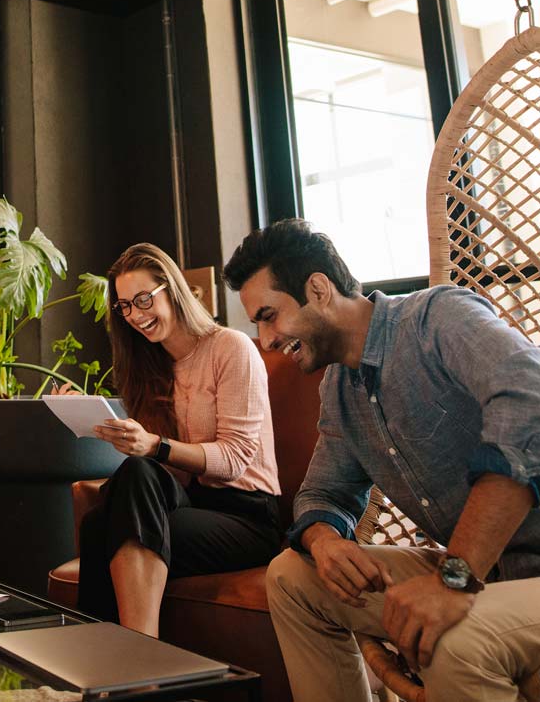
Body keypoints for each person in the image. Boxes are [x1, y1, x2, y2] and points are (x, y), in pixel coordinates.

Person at [222, 218, 540, 702]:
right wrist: (324, 540)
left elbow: (529, 400)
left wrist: (453, 580)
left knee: (452, 642)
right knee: (291, 576)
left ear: (318, 288)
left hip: (492, 572)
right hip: (482, 572)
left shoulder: (437, 318)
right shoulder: (339, 388)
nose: (265, 339)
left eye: (269, 315)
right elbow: (322, 493)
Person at [74, 243, 283, 637]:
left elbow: (235, 459)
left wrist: (154, 445)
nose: (136, 316)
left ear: (171, 289)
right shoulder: (149, 366)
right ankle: (105, 668)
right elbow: (166, 473)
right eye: (124, 307)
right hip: (193, 504)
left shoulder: (231, 348)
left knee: (112, 516)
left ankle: (138, 658)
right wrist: (108, 427)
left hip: (249, 518)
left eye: (142, 300)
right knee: (107, 511)